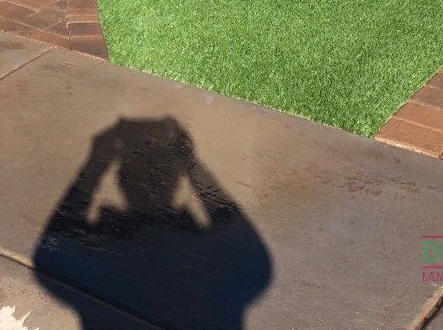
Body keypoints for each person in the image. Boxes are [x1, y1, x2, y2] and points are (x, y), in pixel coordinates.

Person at [34, 117, 271, 330]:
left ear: (121, 179)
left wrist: (96, 161)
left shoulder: (104, 259)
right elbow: (233, 229)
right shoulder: (222, 270)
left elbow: (58, 238)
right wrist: (191, 163)